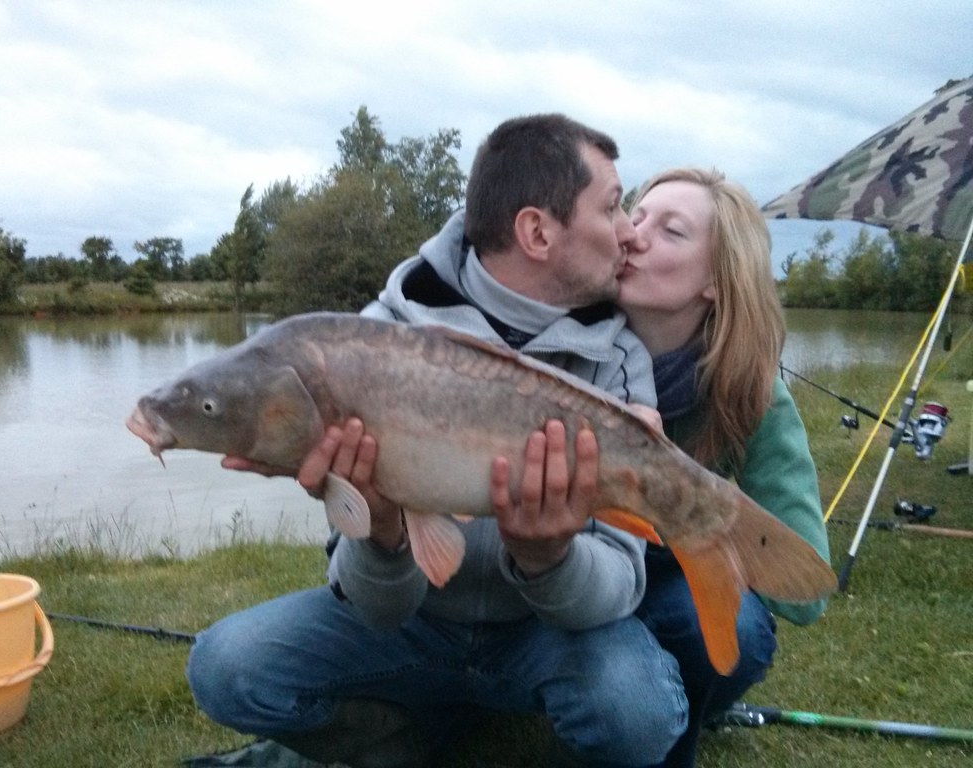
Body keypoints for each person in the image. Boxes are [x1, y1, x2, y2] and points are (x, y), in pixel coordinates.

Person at [186, 114, 687, 768]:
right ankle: (403, 745)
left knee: (636, 709)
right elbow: (374, 603)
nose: (630, 233)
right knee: (227, 667)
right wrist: (386, 531)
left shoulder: (618, 358)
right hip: (408, 632)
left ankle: (488, 732)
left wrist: (548, 556)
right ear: (537, 231)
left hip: (541, 637)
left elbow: (619, 585)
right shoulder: (368, 344)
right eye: (615, 207)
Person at [618, 167, 832, 766]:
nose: (634, 235)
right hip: (566, 577)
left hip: (664, 589)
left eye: (671, 230)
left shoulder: (749, 392)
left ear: (716, 279)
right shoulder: (564, 345)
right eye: (634, 217)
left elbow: (804, 594)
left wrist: (698, 527)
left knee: (734, 626)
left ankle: (669, 712)